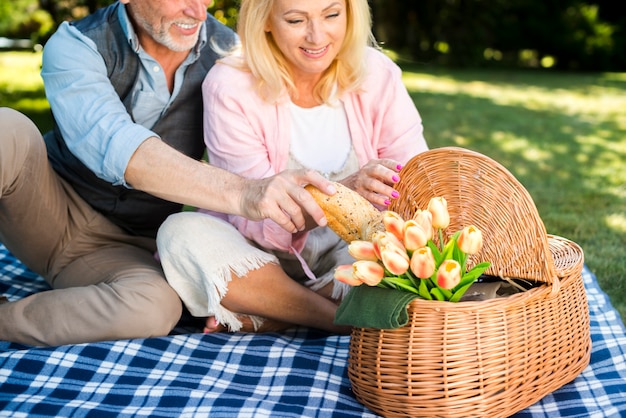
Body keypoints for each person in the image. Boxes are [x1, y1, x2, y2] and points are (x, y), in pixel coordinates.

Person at [0, 0, 341, 347]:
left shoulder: (229, 55)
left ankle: (6, 322)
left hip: (127, 248)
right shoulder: (77, 45)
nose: (198, 11)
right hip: (45, 211)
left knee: (155, 308)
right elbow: (117, 146)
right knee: (6, 129)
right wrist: (245, 192)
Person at [156, 0, 428, 333]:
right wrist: (343, 190)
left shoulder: (378, 73)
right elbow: (259, 227)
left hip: (349, 256)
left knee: (404, 252)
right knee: (180, 234)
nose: (317, 37)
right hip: (256, 255)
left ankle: (272, 313)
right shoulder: (229, 85)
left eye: (331, 15)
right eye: (296, 20)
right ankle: (334, 319)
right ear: (266, 21)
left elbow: (417, 189)